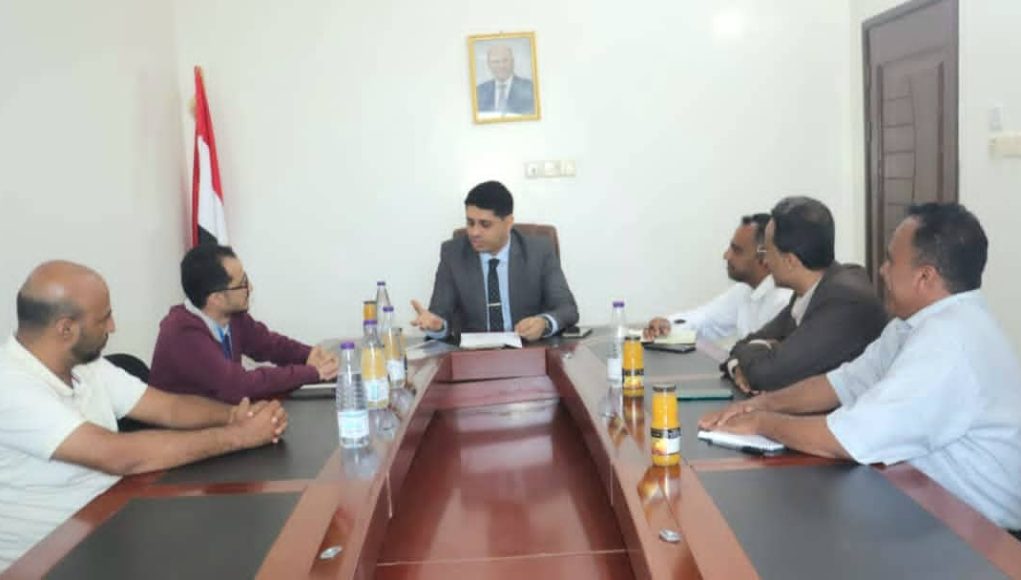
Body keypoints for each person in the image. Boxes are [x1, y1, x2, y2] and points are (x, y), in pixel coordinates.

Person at [699, 203, 1021, 534]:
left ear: (925, 276)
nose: (881, 270)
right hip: (923, 504)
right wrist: (761, 404)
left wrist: (762, 423)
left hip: (981, 537)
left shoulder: (949, 342)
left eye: (891, 261)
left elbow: (847, 437)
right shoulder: (914, 325)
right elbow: (843, 383)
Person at [0, 261, 289, 571]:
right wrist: (239, 436)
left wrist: (235, 415)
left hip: (111, 519)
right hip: (49, 559)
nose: (113, 327)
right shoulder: (10, 385)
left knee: (238, 541)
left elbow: (168, 407)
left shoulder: (84, 364)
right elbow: (117, 455)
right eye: (104, 318)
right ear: (66, 328)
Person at [723, 196, 887, 392]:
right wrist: (740, 364)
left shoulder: (845, 301)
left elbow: (768, 375)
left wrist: (764, 353)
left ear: (790, 261)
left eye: (767, 251)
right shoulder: (809, 290)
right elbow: (743, 345)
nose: (764, 261)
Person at [149, 245, 337, 404]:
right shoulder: (182, 334)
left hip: (222, 420)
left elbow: (270, 344)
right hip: (184, 431)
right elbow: (239, 386)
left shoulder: (232, 317)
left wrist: (308, 355)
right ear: (217, 298)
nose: (251, 288)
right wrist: (311, 373)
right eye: (242, 284)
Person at [411, 180, 578, 342]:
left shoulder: (538, 251)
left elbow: (567, 309)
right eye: (470, 223)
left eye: (485, 224)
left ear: (508, 222)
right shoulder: (453, 254)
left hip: (528, 351)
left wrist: (544, 323)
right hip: (474, 355)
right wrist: (438, 326)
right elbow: (440, 315)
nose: (474, 232)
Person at [643, 213, 792, 342]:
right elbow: (706, 320)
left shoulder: (784, 301)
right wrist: (667, 325)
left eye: (737, 251)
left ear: (764, 256)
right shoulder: (744, 290)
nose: (726, 256)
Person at [476, 45, 535, 115]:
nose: (501, 66)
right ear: (488, 64)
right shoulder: (479, 92)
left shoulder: (530, 88)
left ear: (513, 62)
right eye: (496, 62)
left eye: (505, 60)